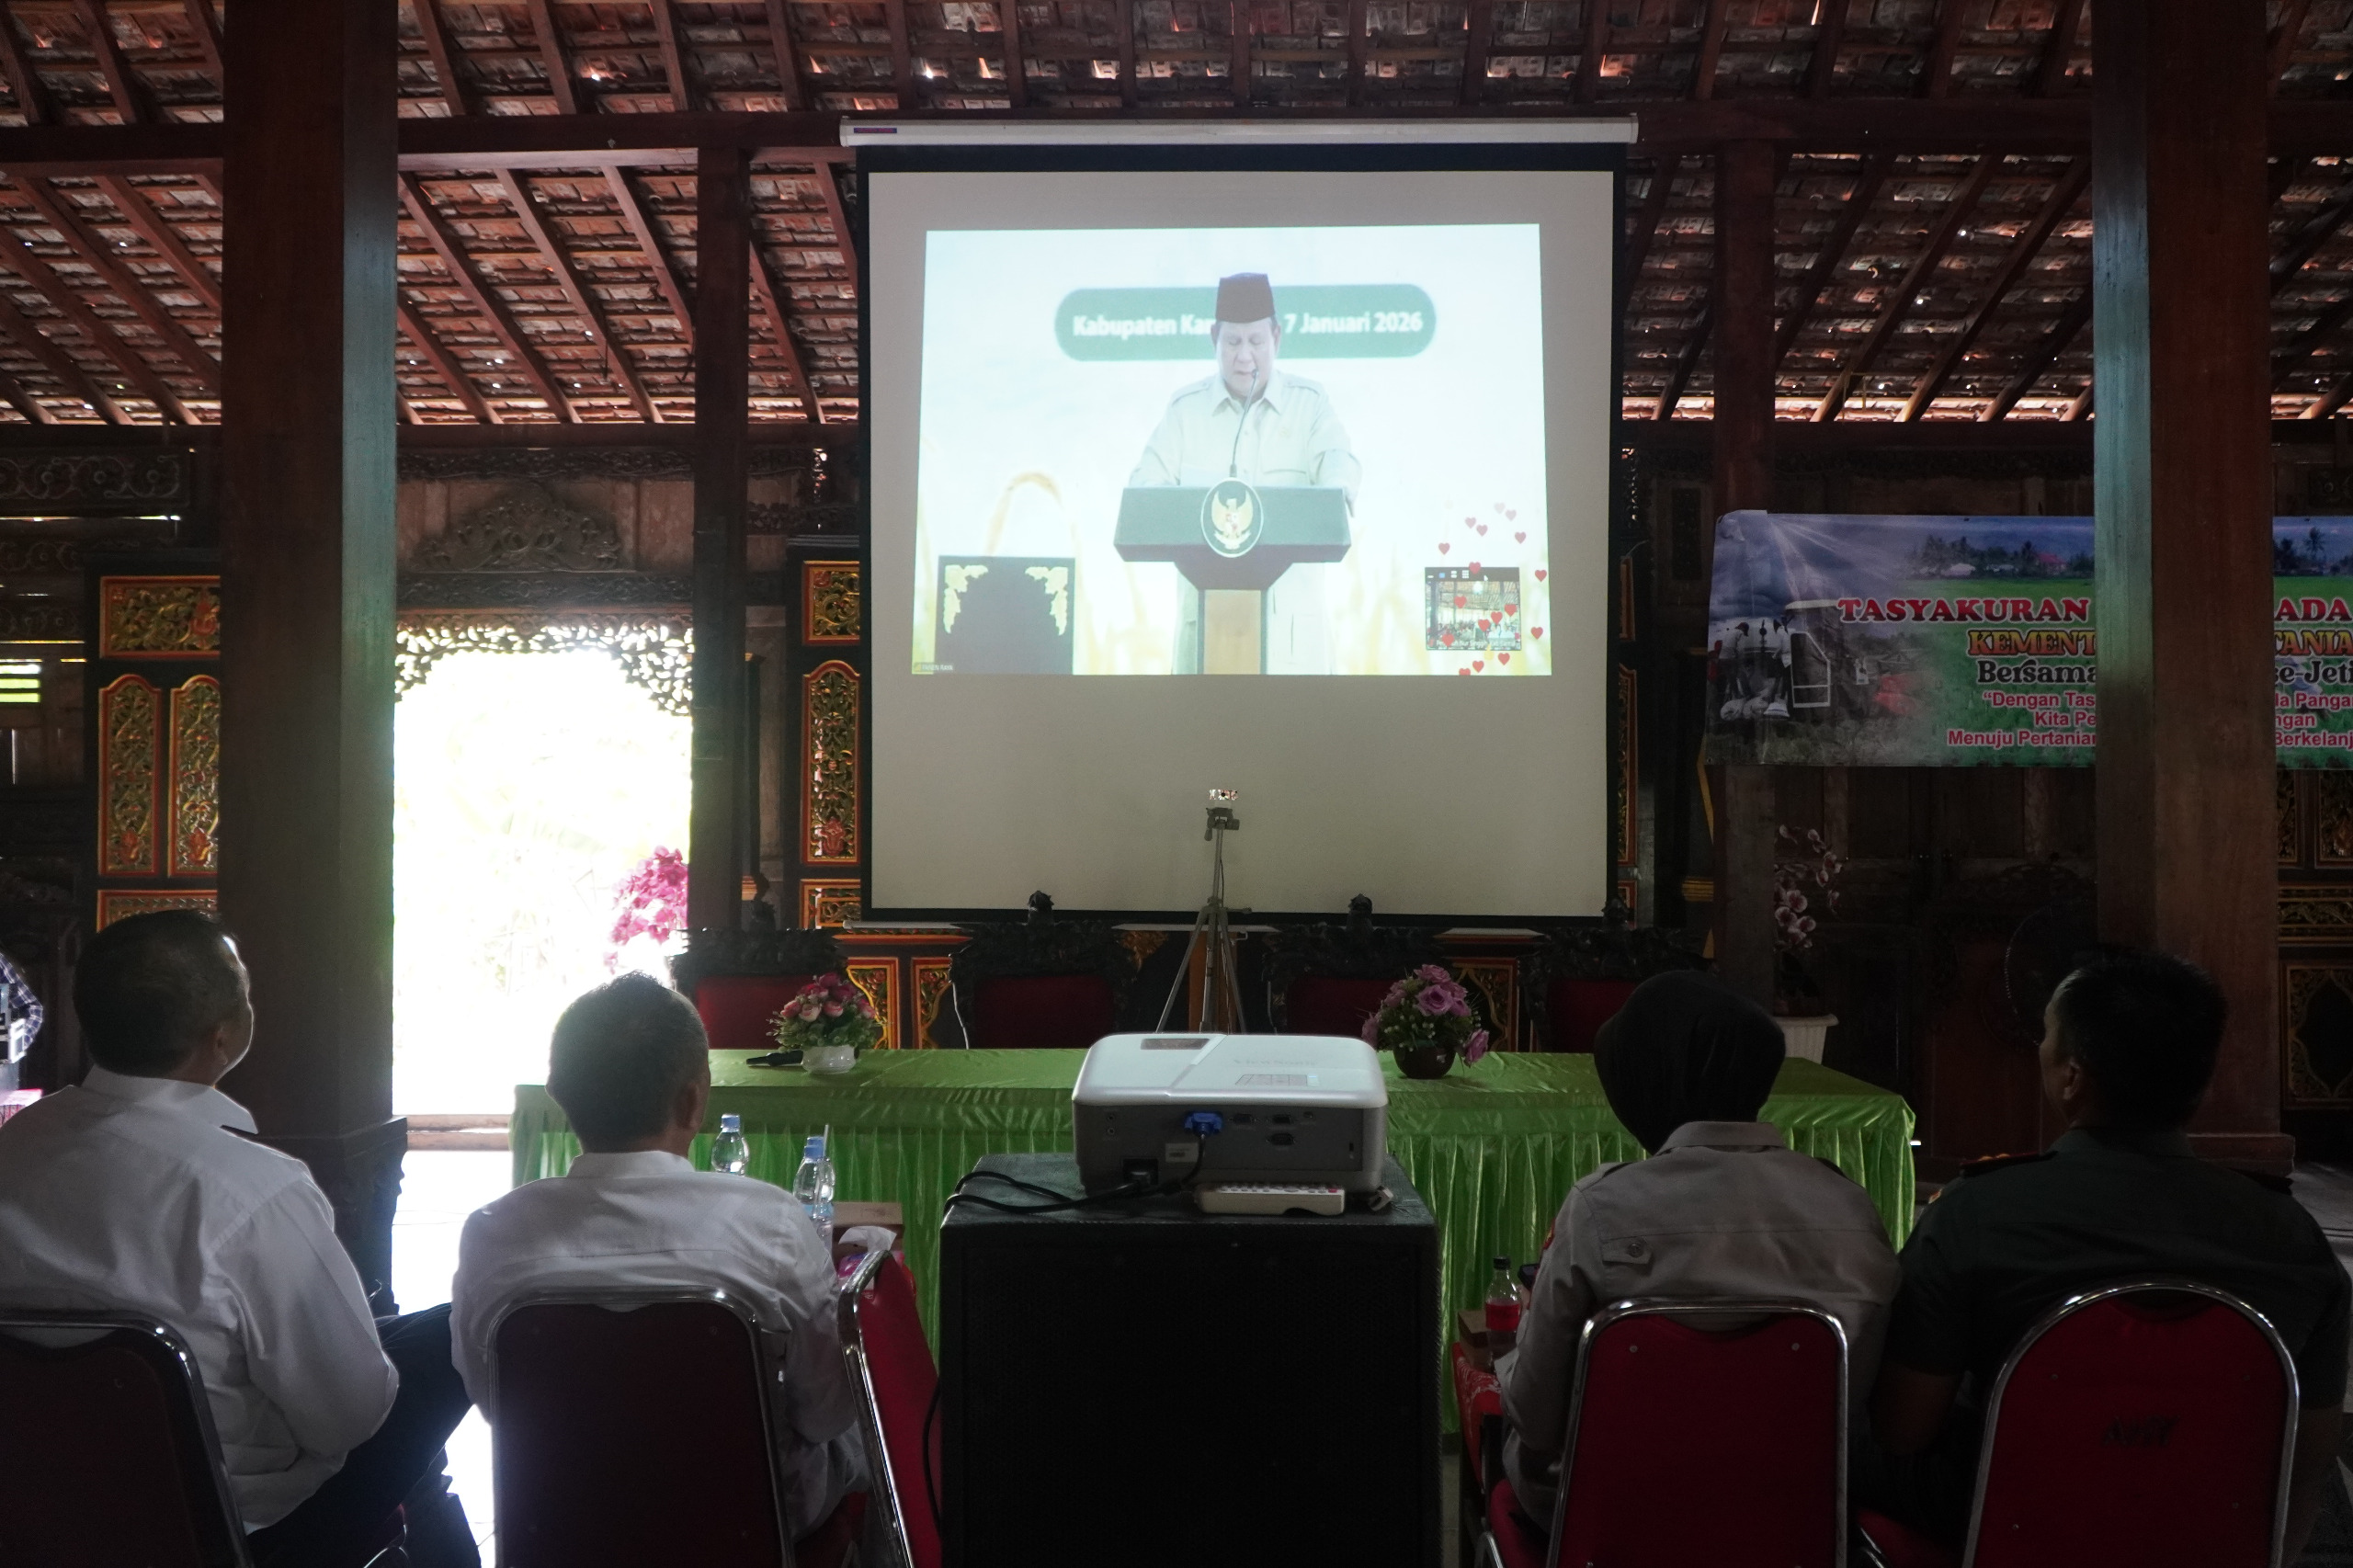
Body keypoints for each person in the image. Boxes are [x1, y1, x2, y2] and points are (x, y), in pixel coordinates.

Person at [0, 910, 475, 1567]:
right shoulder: (250, 1188)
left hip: (40, 1510)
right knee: (457, 1334)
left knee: (394, 1349)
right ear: (223, 1034)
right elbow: (349, 1419)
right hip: (231, 1532)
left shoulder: (17, 1146)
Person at [1869, 949, 2350, 1559]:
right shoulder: (2291, 1237)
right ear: (2202, 1082)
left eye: (2046, 1038)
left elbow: (1903, 1428)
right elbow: (2306, 1460)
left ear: (2071, 1076)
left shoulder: (1976, 1213)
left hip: (2008, 1527)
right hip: (2201, 1531)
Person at [450, 973, 868, 1545]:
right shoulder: (769, 1221)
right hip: (748, 1527)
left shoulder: (491, 1233)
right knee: (868, 1429)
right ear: (694, 1101)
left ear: (560, 1096)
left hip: (567, 1525)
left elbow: (496, 1406)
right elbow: (824, 1414)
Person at [1497, 971, 1901, 1526]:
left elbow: (1534, 1416)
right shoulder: (1850, 1207)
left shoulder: (1601, 1207)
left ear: (1649, 1084)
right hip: (1795, 1523)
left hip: (1617, 1524)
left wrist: (1516, 1341)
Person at [1129, 272, 1361, 675]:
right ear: (1213, 339)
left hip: (1293, 651)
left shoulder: (1309, 404)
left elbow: (1339, 461)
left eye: (1256, 341)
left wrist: (1335, 490)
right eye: (1233, 342)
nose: (1244, 356)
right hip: (1207, 643)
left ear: (1277, 338)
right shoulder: (1185, 411)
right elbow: (1145, 488)